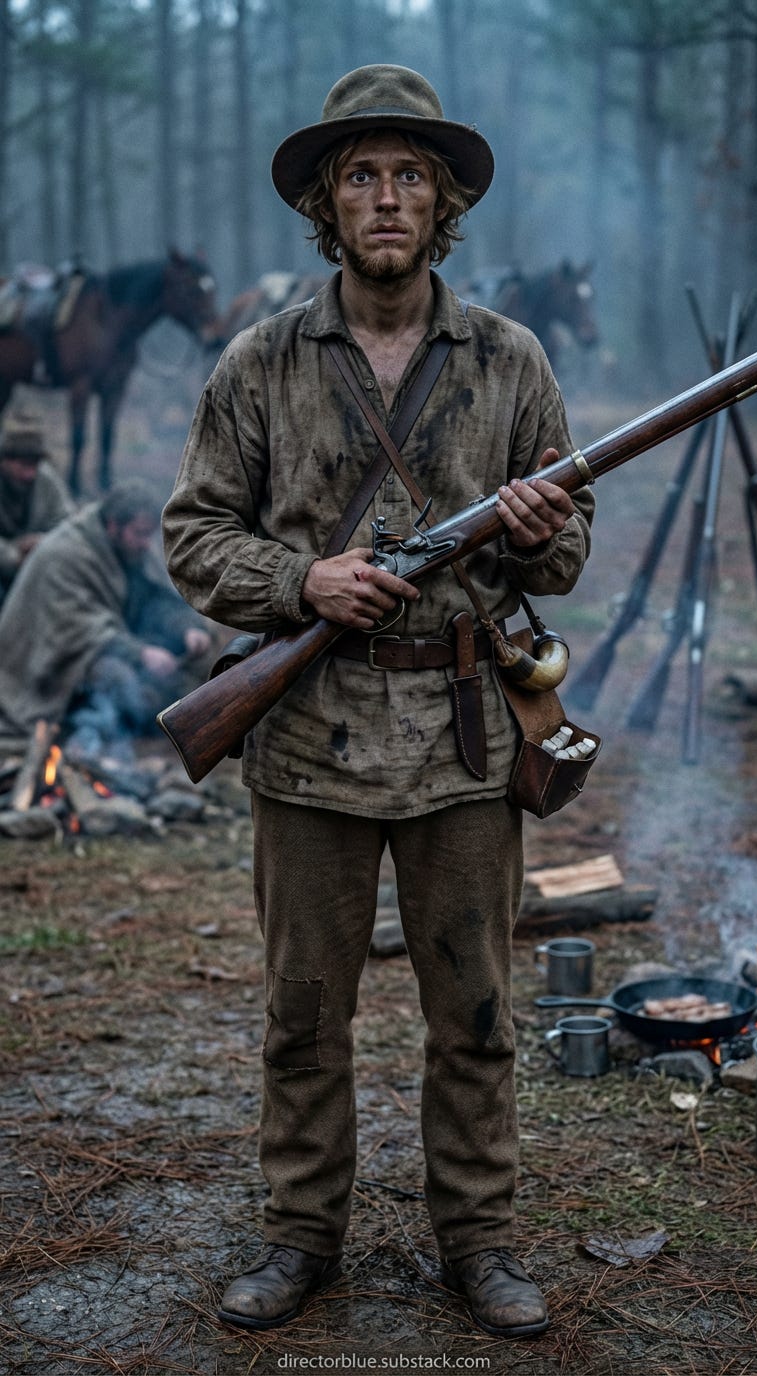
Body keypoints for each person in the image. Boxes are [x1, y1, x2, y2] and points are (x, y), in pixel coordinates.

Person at [162, 64, 594, 1339]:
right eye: (363, 175)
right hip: (306, 739)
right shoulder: (261, 360)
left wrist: (529, 529)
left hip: (463, 741)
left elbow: (562, 558)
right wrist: (301, 576)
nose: (388, 197)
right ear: (328, 207)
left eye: (411, 174)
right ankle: (301, 1235)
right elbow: (194, 537)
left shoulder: (510, 359)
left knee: (476, 1013)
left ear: (444, 201)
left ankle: (480, 1242)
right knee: (304, 1015)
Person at [0, 477, 211, 759]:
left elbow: (156, 600)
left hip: (108, 643)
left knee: (204, 669)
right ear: (113, 525)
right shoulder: (64, 553)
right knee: (119, 680)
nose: (144, 544)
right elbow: (76, 629)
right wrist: (141, 654)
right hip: (44, 666)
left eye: (148, 535)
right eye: (138, 534)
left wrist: (187, 628)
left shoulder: (131, 548)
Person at [0, 411, 73, 608]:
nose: (30, 474)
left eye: (34, 465)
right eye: (23, 466)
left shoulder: (46, 481)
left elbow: (66, 523)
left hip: (37, 566)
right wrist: (14, 555)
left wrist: (41, 542)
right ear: (5, 461)